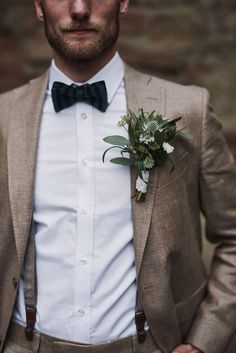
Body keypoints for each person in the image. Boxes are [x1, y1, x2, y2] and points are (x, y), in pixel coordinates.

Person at [0, 1, 236, 353]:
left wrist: (206, 341)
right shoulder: (4, 116)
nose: (79, 9)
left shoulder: (187, 110)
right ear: (38, 6)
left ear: (123, 3)